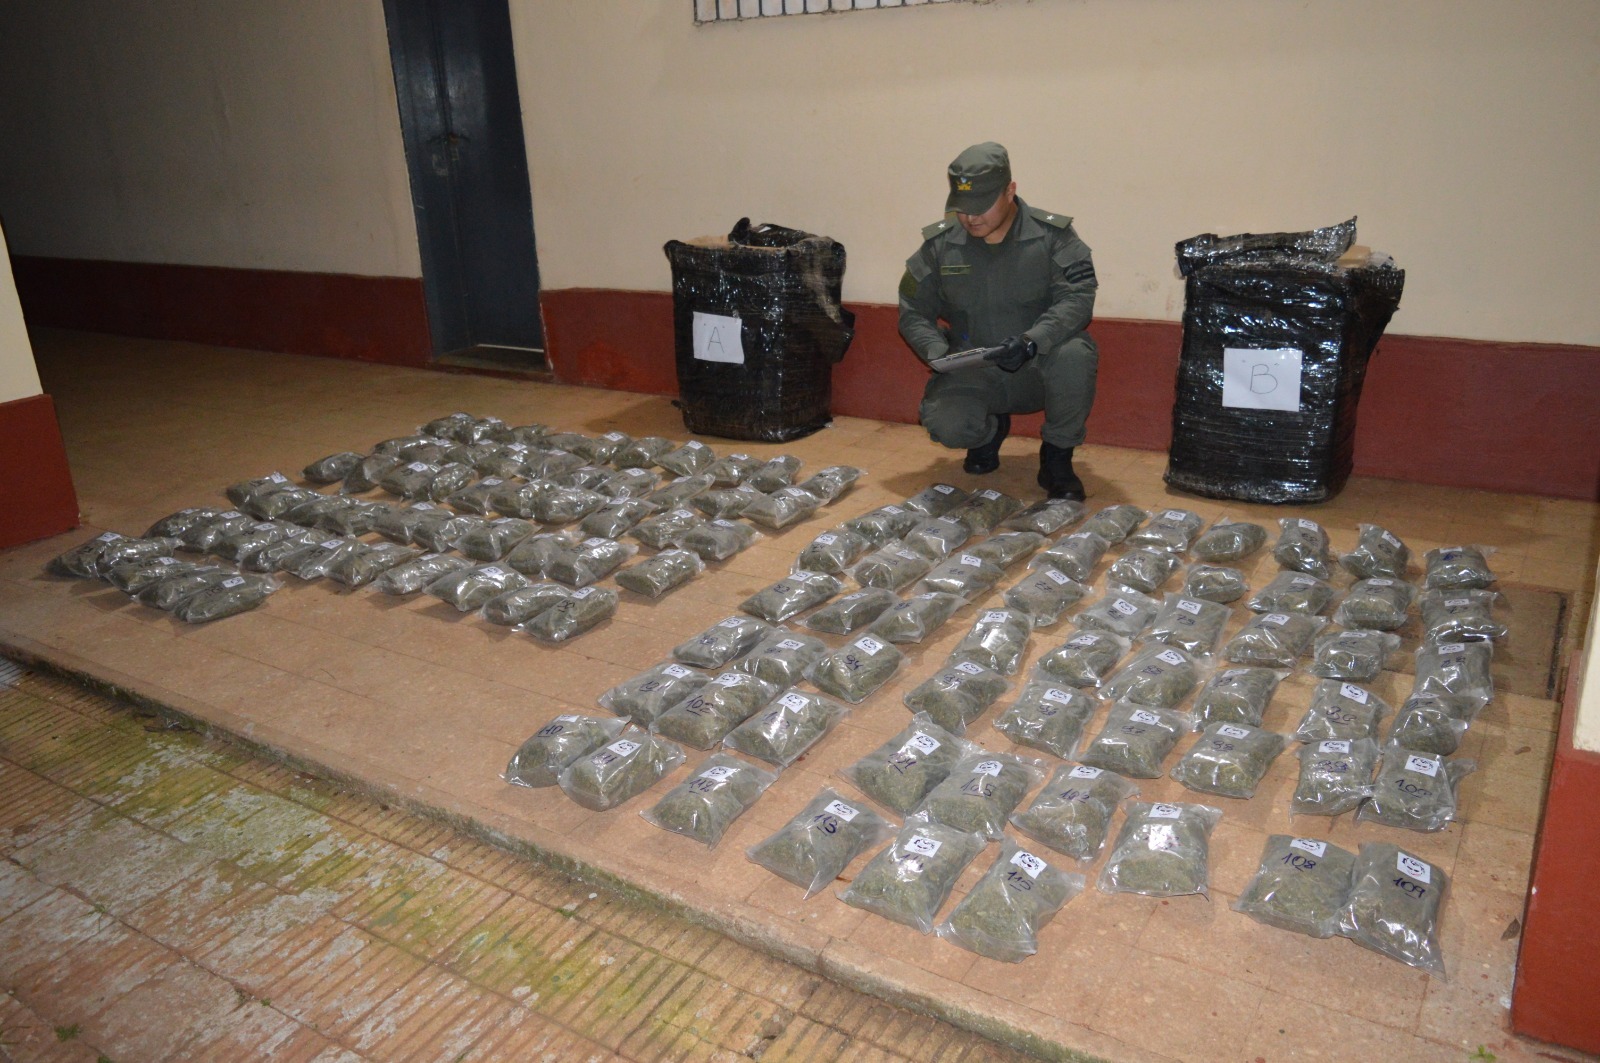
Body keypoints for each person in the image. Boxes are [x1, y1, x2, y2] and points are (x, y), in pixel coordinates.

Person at [897, 142, 1099, 500]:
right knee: (948, 425)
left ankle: (1057, 458)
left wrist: (1033, 340)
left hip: (1037, 364)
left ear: (1010, 191)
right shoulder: (941, 245)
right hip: (975, 368)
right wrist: (938, 353)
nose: (971, 218)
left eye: (982, 206)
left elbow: (1078, 298)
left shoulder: (1052, 236)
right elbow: (912, 310)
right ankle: (989, 432)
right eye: (962, 207)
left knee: (1076, 354)